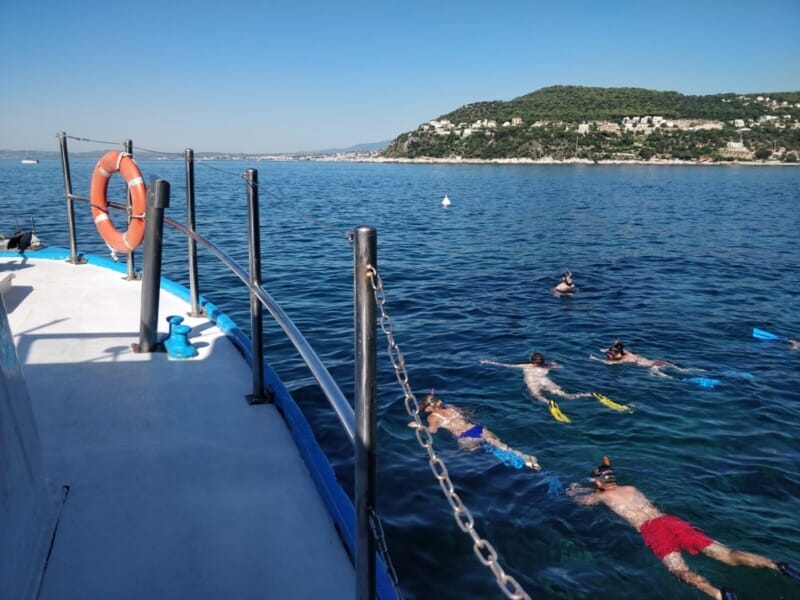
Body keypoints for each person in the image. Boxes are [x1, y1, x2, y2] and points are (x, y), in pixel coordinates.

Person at [568, 457, 798, 600]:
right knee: (727, 554)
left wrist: (574, 488)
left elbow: (579, 501)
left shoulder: (601, 497)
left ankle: (719, 595)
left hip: (652, 530)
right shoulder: (632, 488)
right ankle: (775, 564)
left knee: (678, 570)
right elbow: (612, 488)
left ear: (599, 482)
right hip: (671, 521)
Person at [412, 392, 540, 470]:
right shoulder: (451, 408)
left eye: (424, 407)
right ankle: (527, 458)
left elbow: (432, 431)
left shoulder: (432, 417)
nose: (424, 410)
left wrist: (418, 426)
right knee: (503, 447)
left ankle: (518, 464)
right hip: (478, 429)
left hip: (466, 436)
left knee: (486, 452)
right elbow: (467, 413)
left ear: (429, 407)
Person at [481, 352, 592, 405]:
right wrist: (551, 362)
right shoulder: (548, 365)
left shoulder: (525, 366)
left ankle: (549, 403)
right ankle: (584, 394)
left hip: (532, 381)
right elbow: (561, 366)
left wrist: (489, 362)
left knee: (536, 395)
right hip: (545, 380)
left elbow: (505, 365)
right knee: (562, 394)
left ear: (531, 360)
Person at [590, 339, 697, 378]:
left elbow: (609, 363)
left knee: (666, 378)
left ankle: (680, 381)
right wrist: (607, 349)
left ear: (616, 353)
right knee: (683, 370)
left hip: (653, 366)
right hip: (658, 361)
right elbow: (620, 348)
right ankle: (699, 370)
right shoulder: (627, 353)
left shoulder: (624, 359)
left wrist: (595, 359)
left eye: (611, 352)